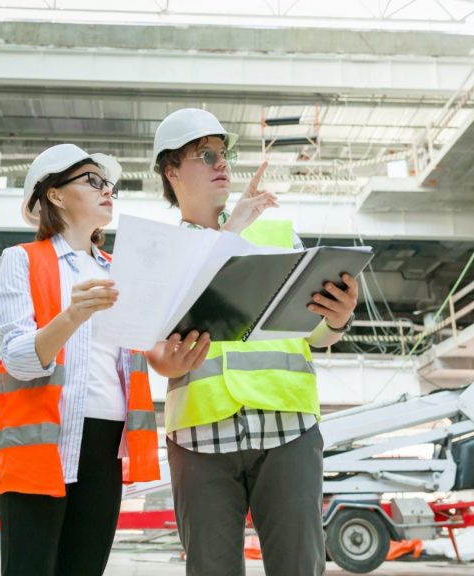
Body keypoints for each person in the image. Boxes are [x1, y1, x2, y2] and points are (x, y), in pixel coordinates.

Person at [145, 109, 359, 576]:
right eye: (205, 154)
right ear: (172, 170)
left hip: (288, 431)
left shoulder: (277, 234)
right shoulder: (158, 251)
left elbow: (315, 331)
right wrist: (230, 231)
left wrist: (337, 320)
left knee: (299, 567)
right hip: (200, 438)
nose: (221, 162)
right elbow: (153, 349)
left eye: (224, 153)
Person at [0, 143, 160, 576]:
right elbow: (18, 359)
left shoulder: (120, 271)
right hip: (41, 440)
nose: (108, 191)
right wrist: (71, 316)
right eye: (93, 181)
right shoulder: (21, 261)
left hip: (106, 441)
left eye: (110, 186)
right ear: (56, 195)